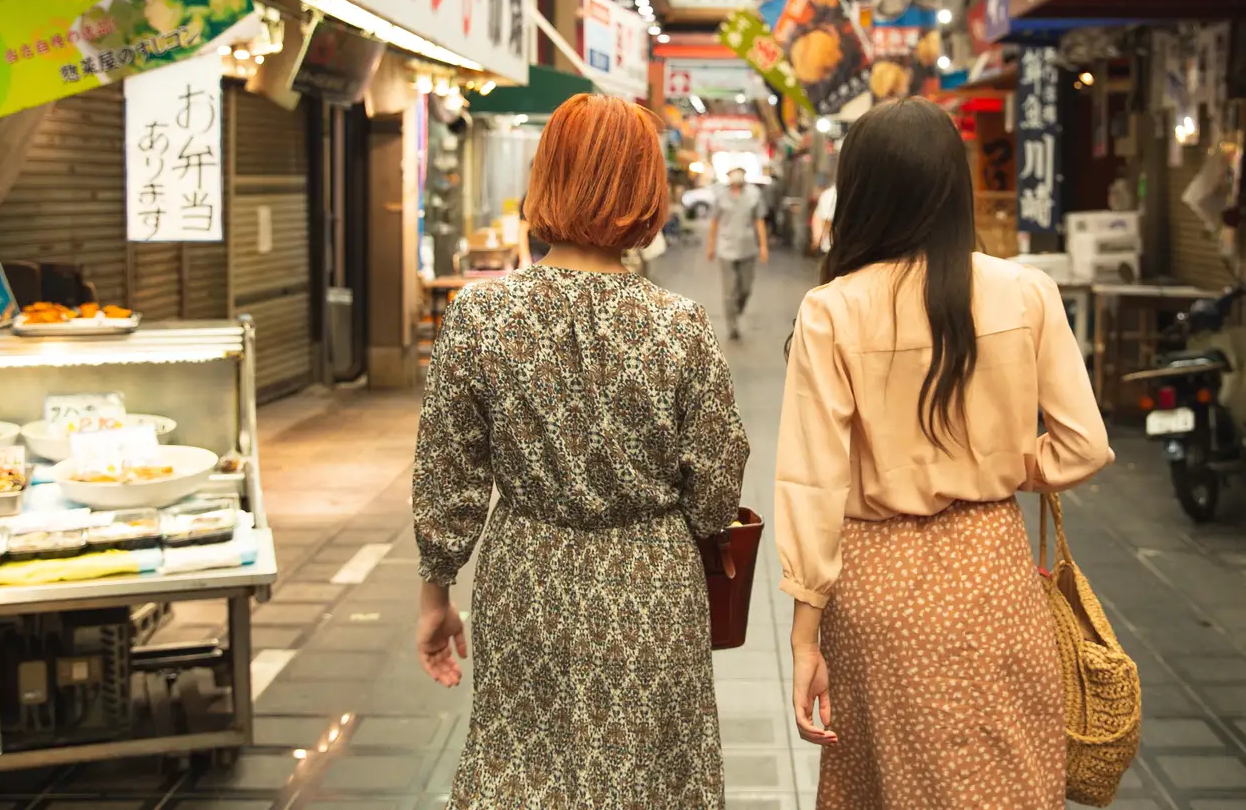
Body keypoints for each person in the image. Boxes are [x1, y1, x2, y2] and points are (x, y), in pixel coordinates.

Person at [774, 97, 1115, 809]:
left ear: (861, 193)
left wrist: (804, 638)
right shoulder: (1027, 292)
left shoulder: (831, 310)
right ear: (955, 187)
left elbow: (813, 483)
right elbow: (1085, 444)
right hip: (992, 573)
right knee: (1006, 784)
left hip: (876, 591)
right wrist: (1008, 464)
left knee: (889, 787)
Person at [414, 94, 752, 809]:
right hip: (651, 583)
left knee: (525, 770)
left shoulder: (482, 315)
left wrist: (436, 593)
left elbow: (448, 469)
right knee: (653, 780)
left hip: (526, 578)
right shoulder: (679, 326)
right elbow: (718, 485)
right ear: (646, 193)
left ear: (547, 178)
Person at [706, 166, 768, 340]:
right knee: (729, 289)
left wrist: (763, 246)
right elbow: (714, 221)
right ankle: (732, 324)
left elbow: (759, 221)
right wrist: (711, 246)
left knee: (745, 287)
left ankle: (737, 308)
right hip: (725, 248)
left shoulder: (754, 194)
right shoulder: (720, 196)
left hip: (748, 247)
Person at [810, 181, 837, 255]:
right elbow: (827, 221)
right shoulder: (831, 195)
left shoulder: (828, 194)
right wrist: (818, 240)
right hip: (829, 245)